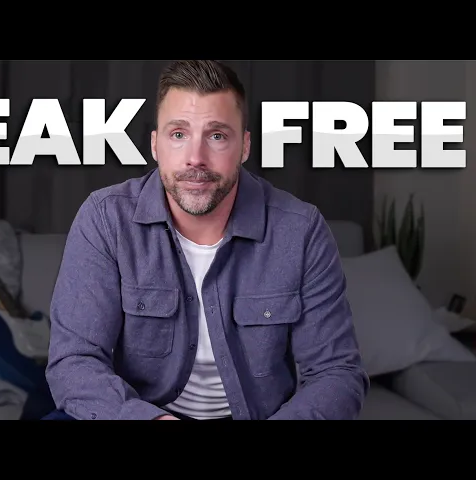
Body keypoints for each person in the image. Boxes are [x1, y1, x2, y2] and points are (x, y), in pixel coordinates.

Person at [44, 60, 369, 420]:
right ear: (155, 145)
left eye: (217, 136)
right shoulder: (105, 219)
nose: (195, 158)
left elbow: (336, 373)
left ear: (244, 146)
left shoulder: (301, 230)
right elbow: (74, 362)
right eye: (178, 134)